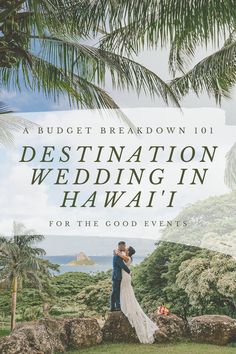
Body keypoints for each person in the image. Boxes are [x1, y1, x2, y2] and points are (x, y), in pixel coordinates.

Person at [115, 245, 159, 344]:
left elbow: (118, 253)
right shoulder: (127, 257)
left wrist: (118, 251)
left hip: (125, 277)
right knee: (126, 293)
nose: (125, 249)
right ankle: (126, 306)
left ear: (129, 251)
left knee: (126, 292)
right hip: (125, 276)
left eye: (126, 248)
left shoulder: (127, 257)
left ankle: (128, 308)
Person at [110, 241, 131, 311]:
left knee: (114, 291)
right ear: (120, 246)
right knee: (116, 291)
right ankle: (117, 306)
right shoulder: (117, 255)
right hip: (117, 275)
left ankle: (113, 307)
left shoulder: (118, 254)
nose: (125, 248)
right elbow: (122, 265)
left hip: (117, 275)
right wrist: (129, 272)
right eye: (124, 246)